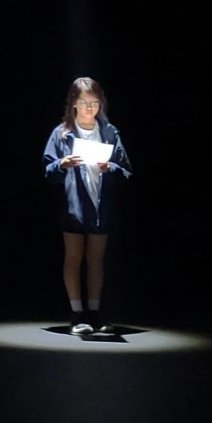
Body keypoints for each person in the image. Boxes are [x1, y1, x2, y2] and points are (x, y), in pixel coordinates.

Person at [41, 77, 133, 335]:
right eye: (83, 102)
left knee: (96, 260)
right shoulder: (62, 133)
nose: (89, 107)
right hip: (74, 206)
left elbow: (126, 171)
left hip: (100, 207)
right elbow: (48, 170)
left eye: (94, 102)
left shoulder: (109, 132)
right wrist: (62, 164)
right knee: (73, 258)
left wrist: (110, 167)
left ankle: (95, 313)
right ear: (73, 103)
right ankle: (76, 314)